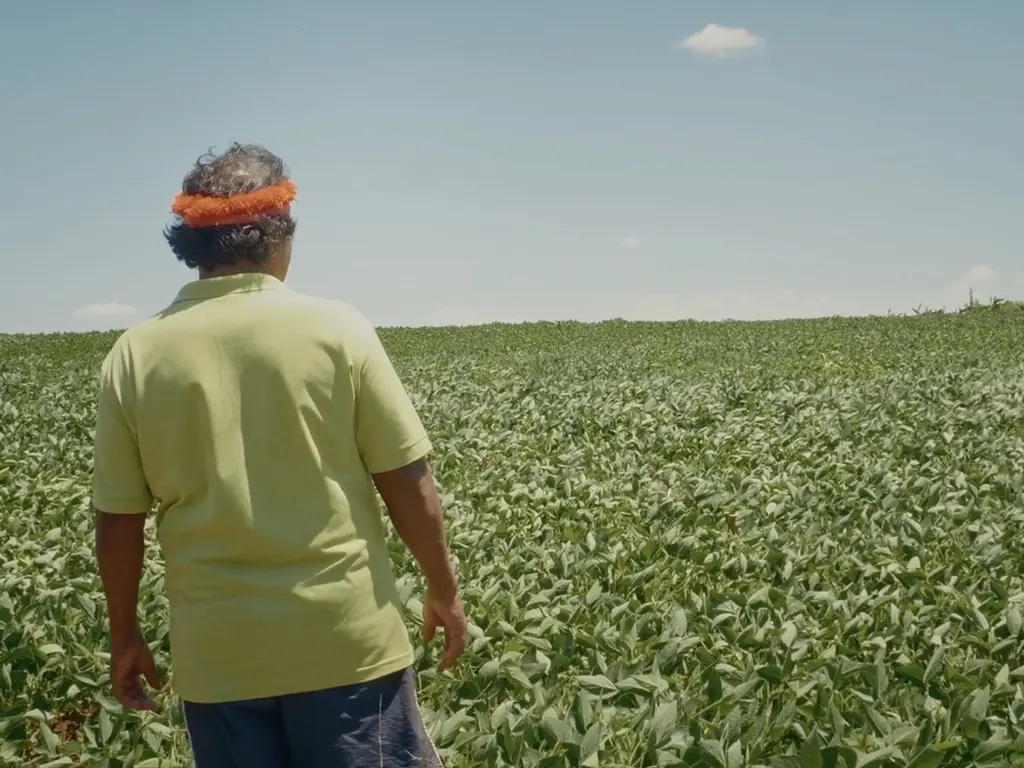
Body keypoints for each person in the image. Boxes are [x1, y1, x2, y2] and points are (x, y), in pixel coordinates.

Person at [91, 143, 467, 767]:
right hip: (344, 644)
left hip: (219, 659)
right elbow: (406, 478)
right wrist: (444, 589)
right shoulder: (336, 329)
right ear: (277, 235)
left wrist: (124, 635)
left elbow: (119, 521)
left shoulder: (134, 355)